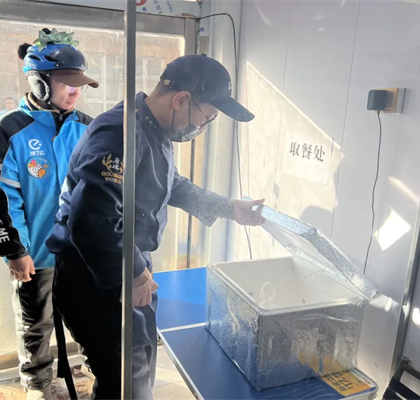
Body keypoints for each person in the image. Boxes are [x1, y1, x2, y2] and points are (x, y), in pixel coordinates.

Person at [46, 54, 265, 399]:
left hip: (123, 263)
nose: (202, 128)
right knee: (125, 380)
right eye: (206, 118)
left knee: (137, 366)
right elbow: (93, 218)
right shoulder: (120, 133)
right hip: (95, 274)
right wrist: (133, 272)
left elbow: (172, 185)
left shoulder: (153, 129)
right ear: (181, 100)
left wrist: (229, 208)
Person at [0, 28, 98, 400]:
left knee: (91, 320)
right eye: (67, 83)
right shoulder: (8, 129)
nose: (76, 91)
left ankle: (100, 376)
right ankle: (39, 386)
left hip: (81, 254)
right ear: (40, 82)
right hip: (35, 253)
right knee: (35, 326)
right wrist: (14, 250)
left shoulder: (88, 127)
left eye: (80, 85)